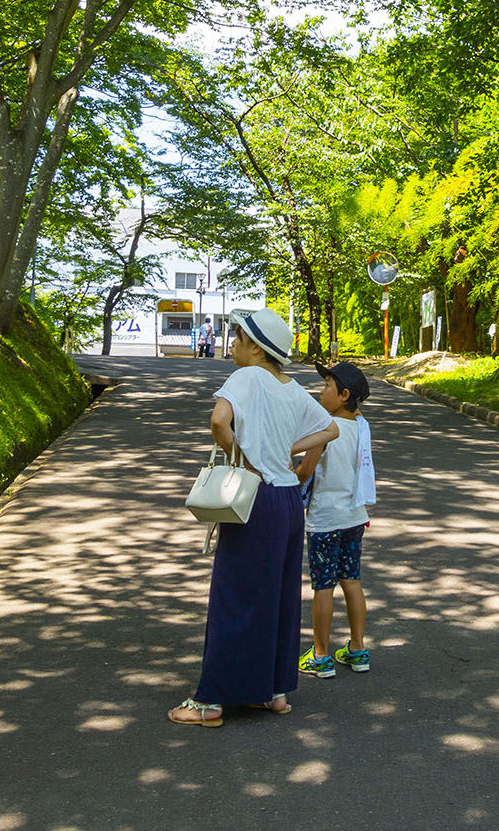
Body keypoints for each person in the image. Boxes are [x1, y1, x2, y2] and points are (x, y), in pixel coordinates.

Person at [170, 309, 338, 727]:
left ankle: (210, 702)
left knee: (234, 594)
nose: (233, 342)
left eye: (238, 335)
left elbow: (218, 421)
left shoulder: (246, 377)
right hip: (287, 502)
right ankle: (273, 692)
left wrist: (240, 457)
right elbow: (330, 429)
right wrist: (285, 452)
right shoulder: (292, 387)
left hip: (255, 498)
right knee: (277, 596)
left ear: (256, 347)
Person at [294, 361, 375, 678]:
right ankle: (357, 649)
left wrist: (287, 470)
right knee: (351, 581)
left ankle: (322, 655)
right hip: (355, 516)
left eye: (327, 385)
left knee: (324, 586)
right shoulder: (361, 426)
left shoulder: (324, 429)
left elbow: (305, 472)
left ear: (343, 395)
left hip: (326, 519)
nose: (320, 390)